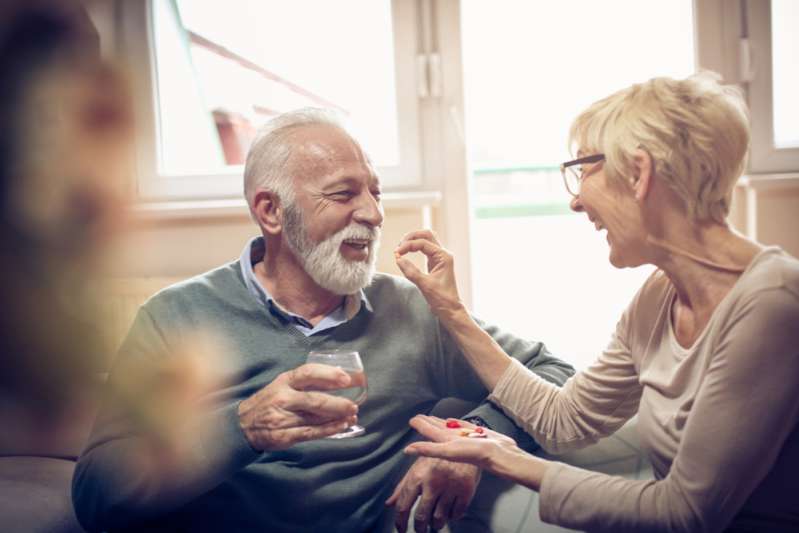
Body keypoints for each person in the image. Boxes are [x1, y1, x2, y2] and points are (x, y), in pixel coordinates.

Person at [71, 108, 575, 532]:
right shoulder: (175, 316)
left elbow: (554, 378)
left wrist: (469, 441)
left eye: (375, 192)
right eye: (343, 194)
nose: (374, 214)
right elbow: (96, 495)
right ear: (271, 212)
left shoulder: (411, 309)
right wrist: (243, 428)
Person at [395, 72, 799, 533]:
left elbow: (685, 513)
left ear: (639, 173)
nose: (576, 202)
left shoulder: (774, 303)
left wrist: (505, 459)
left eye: (583, 170)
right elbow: (563, 419)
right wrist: (450, 309)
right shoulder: (658, 294)